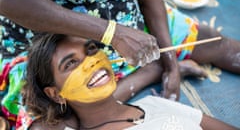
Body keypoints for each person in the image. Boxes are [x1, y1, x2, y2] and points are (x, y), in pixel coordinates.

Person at [0, 0, 240, 128]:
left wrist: (171, 66)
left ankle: (153, 67)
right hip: (48, 46)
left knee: (217, 44)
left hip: (129, 24)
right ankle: (148, 72)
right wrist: (111, 34)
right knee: (54, 118)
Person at [20, 33, 239, 130]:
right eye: (70, 64)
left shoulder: (156, 106)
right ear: (56, 94)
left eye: (92, 49)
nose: (92, 62)